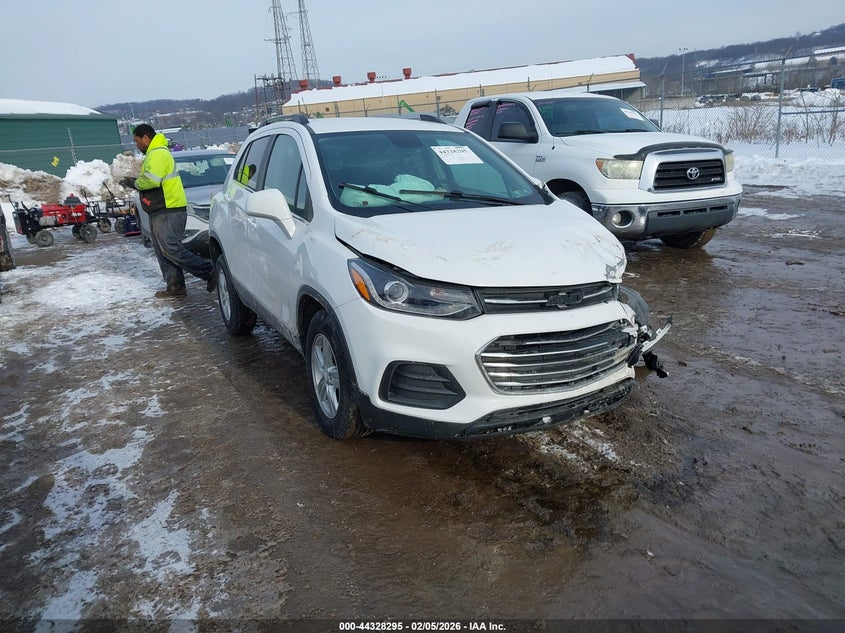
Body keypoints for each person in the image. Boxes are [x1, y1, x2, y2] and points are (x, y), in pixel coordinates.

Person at [121, 124, 214, 299]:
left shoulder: (157, 153)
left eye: (137, 141)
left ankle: (209, 272)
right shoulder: (156, 152)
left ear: (146, 137)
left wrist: (134, 183)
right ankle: (175, 287)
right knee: (162, 250)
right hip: (161, 208)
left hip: (168, 208)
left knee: (170, 248)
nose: (137, 145)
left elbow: (152, 180)